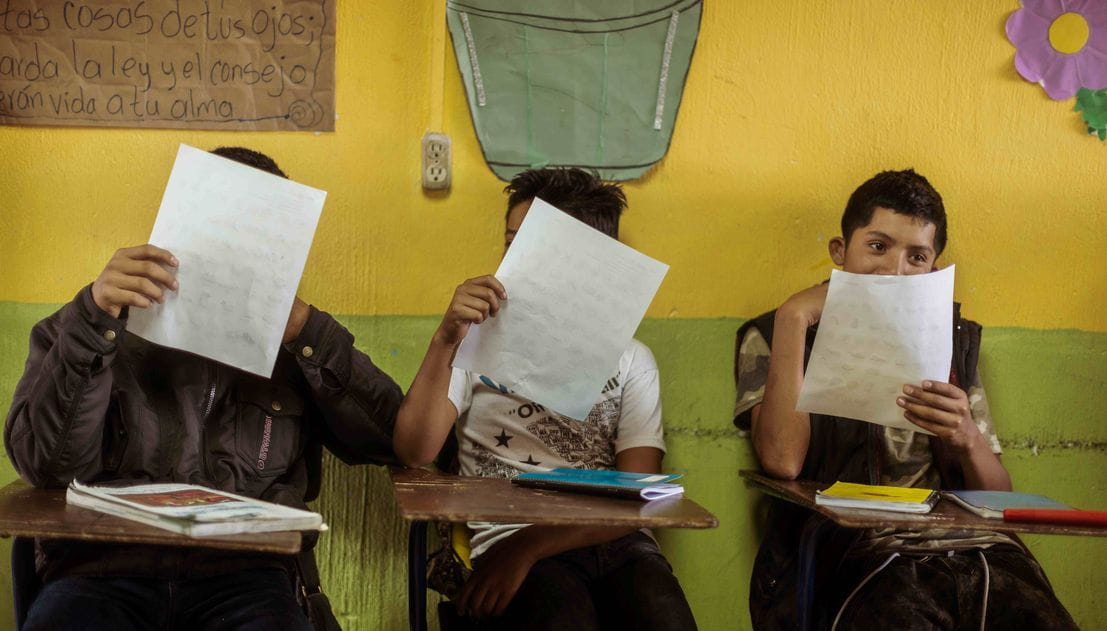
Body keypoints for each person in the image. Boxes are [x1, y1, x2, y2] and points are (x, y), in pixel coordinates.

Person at [4, 147, 403, 631]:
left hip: (247, 577)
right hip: (101, 571)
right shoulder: (89, 323)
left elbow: (394, 440)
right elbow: (45, 465)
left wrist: (308, 332)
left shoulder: (293, 347)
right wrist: (94, 320)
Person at [733, 169, 1078, 630]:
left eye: (916, 257)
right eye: (877, 246)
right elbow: (782, 461)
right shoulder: (775, 333)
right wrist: (794, 317)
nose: (895, 270)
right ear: (840, 252)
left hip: (967, 546)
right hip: (856, 548)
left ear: (932, 271)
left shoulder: (952, 344)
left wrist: (965, 435)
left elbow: (998, 497)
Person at [393, 167, 697, 630]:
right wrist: (446, 338)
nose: (512, 261)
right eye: (510, 243)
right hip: (505, 534)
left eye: (534, 248)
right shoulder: (474, 343)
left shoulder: (633, 359)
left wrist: (529, 547)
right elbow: (415, 450)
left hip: (614, 541)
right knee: (561, 617)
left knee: (663, 615)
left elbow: (640, 494)